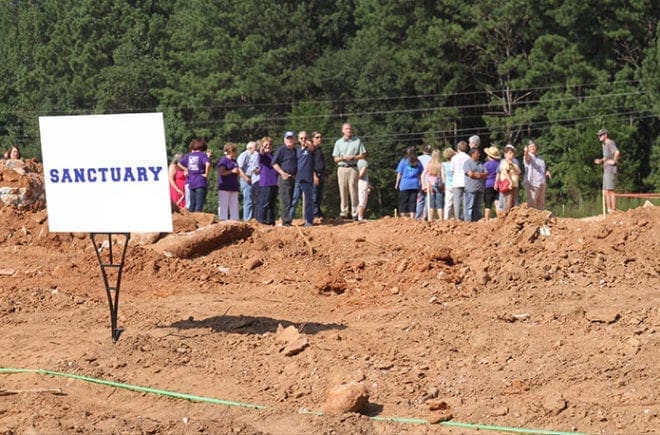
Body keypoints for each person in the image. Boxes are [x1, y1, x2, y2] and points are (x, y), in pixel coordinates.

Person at [332, 123, 367, 220]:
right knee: (342, 190)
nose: (349, 130)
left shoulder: (357, 141)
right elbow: (335, 158)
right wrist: (342, 158)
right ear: (343, 130)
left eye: (350, 129)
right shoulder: (338, 142)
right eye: (347, 129)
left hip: (353, 167)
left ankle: (355, 213)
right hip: (342, 168)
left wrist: (354, 157)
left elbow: (363, 154)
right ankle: (344, 212)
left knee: (353, 190)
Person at [288, 131, 316, 226]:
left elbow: (312, 148)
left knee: (308, 200)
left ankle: (309, 221)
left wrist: (309, 144)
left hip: (307, 179)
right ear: (298, 140)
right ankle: (289, 220)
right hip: (298, 179)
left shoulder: (310, 150)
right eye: (301, 138)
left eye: (305, 138)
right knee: (294, 200)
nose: (303, 140)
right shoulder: (297, 150)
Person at [272, 131, 298, 226]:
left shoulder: (295, 150)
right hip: (284, 178)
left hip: (293, 178)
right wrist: (282, 173)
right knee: (286, 200)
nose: (289, 140)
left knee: (291, 200)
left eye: (291, 138)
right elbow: (274, 163)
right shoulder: (281, 150)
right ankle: (286, 222)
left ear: (294, 139)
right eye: (288, 138)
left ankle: (288, 220)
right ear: (284, 139)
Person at [179, 138, 211, 212]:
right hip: (200, 182)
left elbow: (179, 163)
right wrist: (206, 174)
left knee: (192, 205)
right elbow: (208, 164)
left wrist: (186, 169)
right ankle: (197, 221)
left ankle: (190, 221)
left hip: (191, 182)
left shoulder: (189, 155)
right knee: (199, 205)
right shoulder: (202, 155)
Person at [594, 128, 620, 213]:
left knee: (610, 190)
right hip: (606, 170)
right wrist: (600, 161)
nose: (599, 137)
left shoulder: (610, 143)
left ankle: (613, 209)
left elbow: (617, 152)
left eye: (601, 135)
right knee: (605, 191)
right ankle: (609, 209)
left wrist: (614, 161)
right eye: (599, 135)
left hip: (610, 170)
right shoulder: (604, 145)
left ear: (605, 135)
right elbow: (605, 157)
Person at [395, 146, 424, 218]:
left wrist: (397, 183)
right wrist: (421, 183)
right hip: (415, 184)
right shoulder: (418, 161)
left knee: (403, 201)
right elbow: (421, 173)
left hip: (404, 184)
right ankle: (412, 216)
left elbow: (399, 173)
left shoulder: (403, 161)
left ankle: (403, 216)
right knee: (413, 201)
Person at [523, 140, 551, 210]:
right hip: (532, 183)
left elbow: (542, 168)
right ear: (528, 148)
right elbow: (526, 158)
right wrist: (526, 152)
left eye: (534, 146)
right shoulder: (528, 155)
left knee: (541, 203)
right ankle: (532, 219)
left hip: (541, 183)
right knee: (532, 203)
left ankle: (540, 219)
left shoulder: (540, 158)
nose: (533, 148)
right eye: (531, 146)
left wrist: (547, 172)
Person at [256, 137, 278, 225]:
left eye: (270, 144)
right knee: (264, 203)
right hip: (266, 182)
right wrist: (262, 148)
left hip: (274, 182)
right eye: (266, 144)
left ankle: (270, 221)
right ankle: (261, 221)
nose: (268, 146)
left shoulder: (272, 155)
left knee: (272, 204)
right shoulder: (262, 155)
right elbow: (260, 153)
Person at [217, 143, 240, 221]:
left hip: (233, 186)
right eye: (235, 151)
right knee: (223, 205)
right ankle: (223, 220)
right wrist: (231, 171)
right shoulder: (224, 160)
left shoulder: (234, 161)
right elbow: (221, 172)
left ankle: (235, 220)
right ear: (231, 151)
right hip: (225, 186)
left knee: (234, 205)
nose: (236, 152)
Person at [496, 144, 522, 214]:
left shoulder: (515, 163)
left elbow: (519, 171)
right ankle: (505, 218)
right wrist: (510, 182)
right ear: (505, 154)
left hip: (515, 185)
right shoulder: (503, 162)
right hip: (508, 185)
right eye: (509, 153)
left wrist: (512, 165)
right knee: (508, 202)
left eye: (512, 153)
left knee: (515, 202)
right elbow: (505, 173)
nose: (511, 154)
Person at [464, 147, 488, 221]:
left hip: (480, 188)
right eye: (477, 153)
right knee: (470, 205)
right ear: (472, 154)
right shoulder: (467, 163)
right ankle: (468, 221)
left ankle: (477, 220)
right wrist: (478, 175)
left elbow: (486, 173)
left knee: (478, 206)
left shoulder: (481, 163)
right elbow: (470, 174)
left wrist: (479, 175)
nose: (479, 155)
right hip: (471, 188)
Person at [421, 149, 444, 221]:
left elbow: (422, 175)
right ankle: (441, 219)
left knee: (431, 203)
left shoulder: (429, 164)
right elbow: (443, 177)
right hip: (438, 185)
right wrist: (444, 185)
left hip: (430, 185)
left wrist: (423, 185)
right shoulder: (440, 165)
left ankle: (430, 219)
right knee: (439, 203)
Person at [450, 140, 470, 220]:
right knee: (466, 202)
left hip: (456, 181)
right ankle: (466, 218)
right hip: (466, 181)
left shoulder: (454, 158)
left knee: (457, 201)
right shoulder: (468, 157)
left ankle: (457, 218)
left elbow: (452, 170)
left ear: (458, 148)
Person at [237, 141, 257, 221]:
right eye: (255, 147)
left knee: (254, 200)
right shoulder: (244, 155)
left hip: (253, 179)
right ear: (250, 148)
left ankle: (253, 218)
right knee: (248, 200)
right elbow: (239, 168)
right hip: (246, 179)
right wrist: (246, 178)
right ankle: (247, 219)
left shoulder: (254, 156)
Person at [311, 131, 327, 220]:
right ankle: (315, 215)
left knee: (319, 196)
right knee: (314, 196)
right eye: (317, 137)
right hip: (315, 175)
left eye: (320, 137)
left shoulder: (319, 150)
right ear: (313, 139)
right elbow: (310, 164)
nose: (319, 139)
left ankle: (318, 213)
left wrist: (326, 175)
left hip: (322, 175)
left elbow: (322, 163)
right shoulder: (311, 150)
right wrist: (314, 176)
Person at [415, 143, 433, 220]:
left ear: (423, 150)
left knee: (420, 200)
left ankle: (418, 216)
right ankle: (425, 216)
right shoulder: (432, 159)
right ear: (430, 150)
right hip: (429, 182)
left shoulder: (418, 158)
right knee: (427, 200)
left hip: (420, 181)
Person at [483, 146, 501, 220]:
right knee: (497, 202)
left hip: (488, 184)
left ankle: (487, 220)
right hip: (497, 185)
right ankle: (499, 219)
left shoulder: (486, 164)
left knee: (488, 205)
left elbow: (484, 175)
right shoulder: (499, 164)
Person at [247, 141, 261, 218]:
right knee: (259, 200)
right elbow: (254, 170)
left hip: (255, 180)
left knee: (257, 200)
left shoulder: (253, 155)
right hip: (258, 179)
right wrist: (262, 169)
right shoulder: (256, 154)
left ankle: (256, 217)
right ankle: (257, 217)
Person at [442, 147, 456, 220]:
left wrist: (445, 183)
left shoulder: (443, 164)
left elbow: (443, 176)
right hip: (456, 184)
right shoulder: (455, 164)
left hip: (448, 184)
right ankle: (457, 217)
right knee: (456, 203)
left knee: (448, 203)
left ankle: (446, 218)